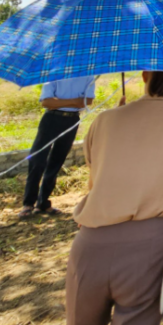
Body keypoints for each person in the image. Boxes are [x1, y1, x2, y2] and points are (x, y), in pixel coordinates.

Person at [65, 61, 163, 325]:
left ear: (144, 75)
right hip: (151, 244)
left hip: (90, 241)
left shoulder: (104, 120)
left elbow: (94, 183)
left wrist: (117, 113)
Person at [19, 75, 96, 219]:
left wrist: (60, 101)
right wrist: (76, 101)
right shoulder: (54, 75)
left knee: (57, 161)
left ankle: (43, 203)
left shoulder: (88, 77)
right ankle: (28, 203)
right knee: (37, 160)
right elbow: (47, 102)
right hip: (51, 119)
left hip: (72, 120)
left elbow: (88, 101)